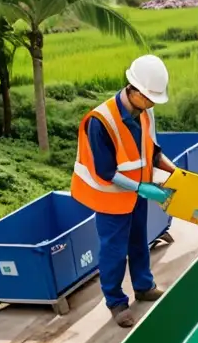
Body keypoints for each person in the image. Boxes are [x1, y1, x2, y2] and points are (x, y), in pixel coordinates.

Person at [71, 55, 177, 327]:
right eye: (149, 98)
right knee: (114, 252)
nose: (153, 103)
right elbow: (106, 172)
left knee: (139, 241)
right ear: (133, 89)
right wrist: (143, 187)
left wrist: (176, 173)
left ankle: (144, 286)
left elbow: (152, 152)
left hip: (137, 194)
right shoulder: (100, 121)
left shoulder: (145, 112)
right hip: (110, 198)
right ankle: (116, 303)